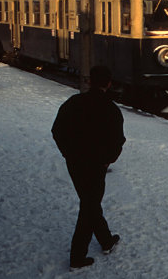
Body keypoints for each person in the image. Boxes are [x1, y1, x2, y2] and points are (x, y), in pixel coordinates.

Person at [52, 66, 125, 269]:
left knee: (89, 202)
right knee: (89, 206)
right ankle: (77, 257)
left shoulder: (73, 103)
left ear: (89, 81)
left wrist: (68, 153)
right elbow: (118, 140)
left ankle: (106, 240)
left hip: (75, 164)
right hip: (96, 165)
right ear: (108, 83)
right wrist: (108, 159)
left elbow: (57, 130)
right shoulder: (111, 109)